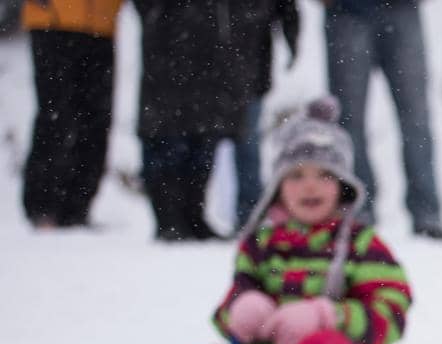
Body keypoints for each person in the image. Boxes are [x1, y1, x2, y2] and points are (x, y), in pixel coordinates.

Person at [55, 98, 413, 344]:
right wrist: (241, 310)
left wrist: (328, 316)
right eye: (297, 175)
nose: (310, 186)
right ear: (278, 186)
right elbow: (231, 303)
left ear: (343, 184)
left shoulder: (360, 244)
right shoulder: (260, 243)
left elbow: (392, 313)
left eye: (324, 175)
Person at [322, 0, 442, 240]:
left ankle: (427, 212)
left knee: (416, 120)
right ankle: (358, 209)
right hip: (346, 12)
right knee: (348, 122)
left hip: (403, 10)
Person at [132, 0, 252, 241]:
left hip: (212, 48)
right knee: (168, 137)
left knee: (204, 136)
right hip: (169, 44)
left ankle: (193, 214)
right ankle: (168, 218)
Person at [20, 0, 123, 229]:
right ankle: (43, 207)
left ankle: (77, 208)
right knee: (56, 116)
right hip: (53, 19)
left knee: (96, 120)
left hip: (102, 22)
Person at [229, 0, 301, 232]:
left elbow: (286, 8)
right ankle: (191, 215)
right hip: (201, 55)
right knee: (208, 144)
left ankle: (251, 214)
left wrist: (292, 36)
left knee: (247, 141)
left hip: (250, 59)